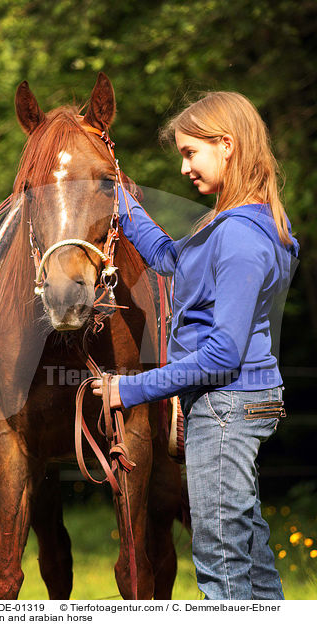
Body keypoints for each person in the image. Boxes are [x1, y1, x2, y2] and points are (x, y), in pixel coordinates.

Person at [91, 91, 299, 600]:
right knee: (249, 559)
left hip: (226, 408)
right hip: (232, 405)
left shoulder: (241, 238)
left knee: (221, 565)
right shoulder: (235, 225)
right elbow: (169, 259)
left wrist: (131, 389)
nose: (184, 167)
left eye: (190, 152)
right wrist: (119, 198)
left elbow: (223, 354)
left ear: (226, 145)